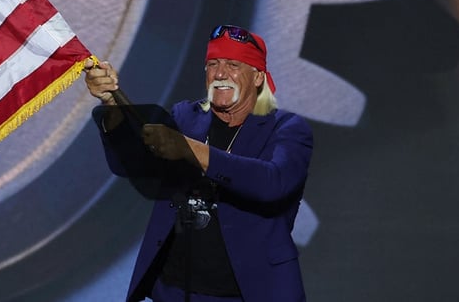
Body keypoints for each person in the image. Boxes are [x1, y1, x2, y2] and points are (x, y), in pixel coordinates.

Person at [84, 24, 313, 302]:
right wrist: (111, 103)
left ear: (258, 77)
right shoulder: (186, 117)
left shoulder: (286, 128)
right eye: (212, 64)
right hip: (176, 291)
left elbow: (272, 183)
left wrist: (191, 150)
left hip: (247, 293)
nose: (220, 74)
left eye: (233, 65)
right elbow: (135, 164)